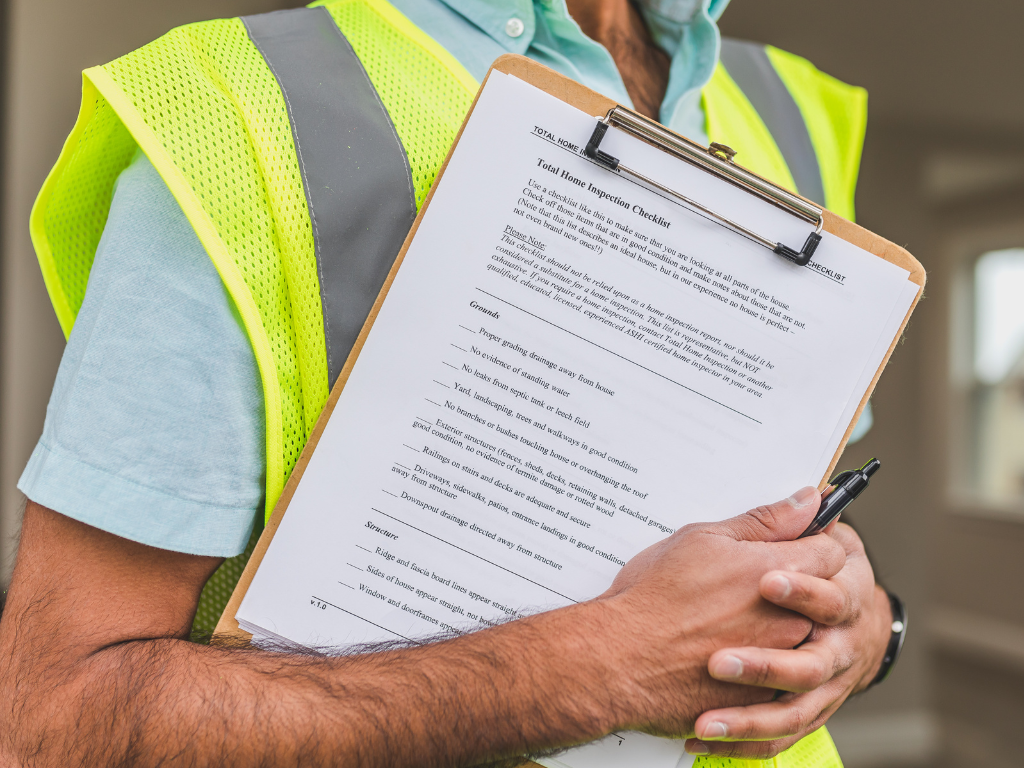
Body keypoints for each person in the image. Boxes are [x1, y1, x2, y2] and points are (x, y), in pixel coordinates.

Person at [0, 0, 897, 764]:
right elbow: (54, 722)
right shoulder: (237, 110)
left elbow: (786, 522)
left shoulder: (789, 106)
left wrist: (865, 631)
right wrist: (602, 666)